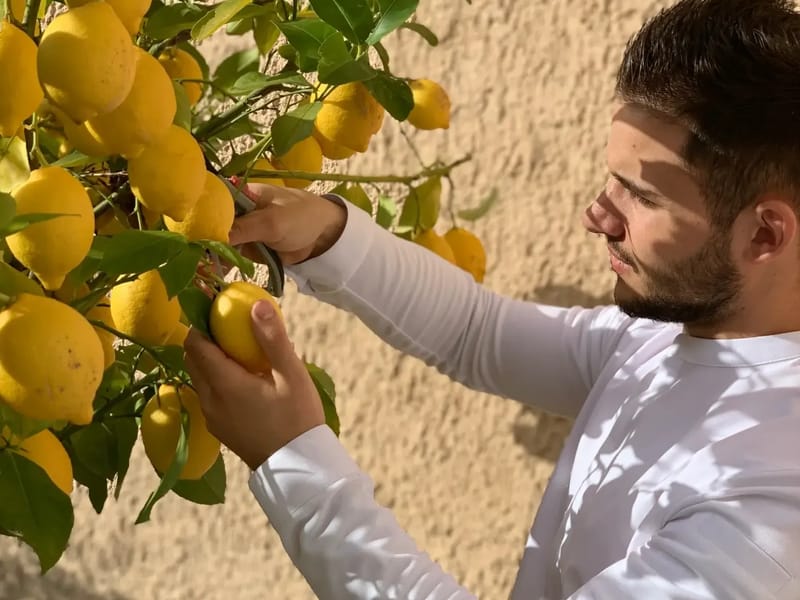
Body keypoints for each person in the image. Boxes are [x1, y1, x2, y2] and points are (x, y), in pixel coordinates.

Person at [183, 0, 800, 597]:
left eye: (640, 196)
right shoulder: (675, 331)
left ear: (765, 234)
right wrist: (327, 236)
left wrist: (294, 463)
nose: (595, 216)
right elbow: (480, 334)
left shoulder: (767, 508)